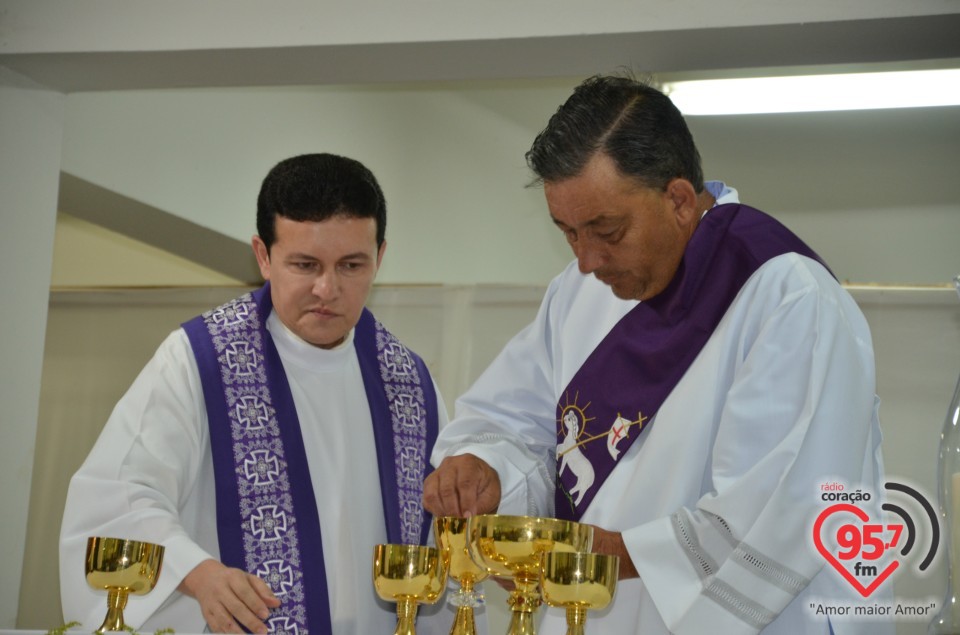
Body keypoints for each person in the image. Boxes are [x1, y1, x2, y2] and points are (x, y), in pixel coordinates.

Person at [423, 74, 890, 634]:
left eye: (606, 229)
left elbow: (785, 507)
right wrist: (484, 468)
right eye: (568, 232)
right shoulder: (576, 294)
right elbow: (512, 422)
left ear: (679, 200)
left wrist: (603, 554)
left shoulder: (786, 298)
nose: (587, 258)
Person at [60, 153, 451, 635]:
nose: (327, 289)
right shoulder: (198, 361)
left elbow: (442, 547)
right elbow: (120, 495)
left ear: (380, 257)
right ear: (263, 256)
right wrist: (197, 574)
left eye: (351, 265)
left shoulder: (409, 383)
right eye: (305, 264)